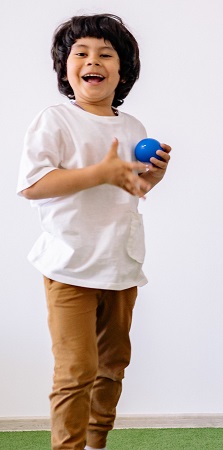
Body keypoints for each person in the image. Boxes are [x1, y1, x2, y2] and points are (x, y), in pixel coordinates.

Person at [16, 14, 171, 450]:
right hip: (68, 266)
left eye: (106, 54)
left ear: (123, 72)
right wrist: (99, 173)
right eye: (81, 53)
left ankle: (95, 443)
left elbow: (131, 190)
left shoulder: (133, 127)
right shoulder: (56, 120)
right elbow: (32, 185)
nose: (93, 60)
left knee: (113, 365)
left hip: (120, 265)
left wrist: (150, 181)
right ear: (66, 68)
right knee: (76, 370)